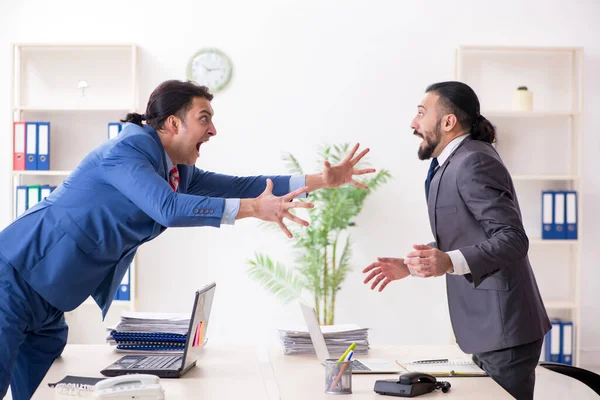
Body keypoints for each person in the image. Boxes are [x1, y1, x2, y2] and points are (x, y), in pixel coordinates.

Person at [0, 79, 375, 399]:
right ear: (172, 123)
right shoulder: (126, 151)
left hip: (49, 299)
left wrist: (320, 181)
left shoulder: (176, 170)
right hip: (14, 278)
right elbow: (168, 208)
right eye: (205, 119)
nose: (213, 130)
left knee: (39, 391)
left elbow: (245, 185)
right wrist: (253, 209)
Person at [363, 81, 550, 399]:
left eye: (421, 113)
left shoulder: (474, 161)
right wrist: (414, 265)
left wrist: (448, 261)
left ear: (448, 122)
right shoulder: (453, 162)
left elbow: (513, 238)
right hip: (489, 329)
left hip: (505, 330)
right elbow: (471, 234)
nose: (413, 123)